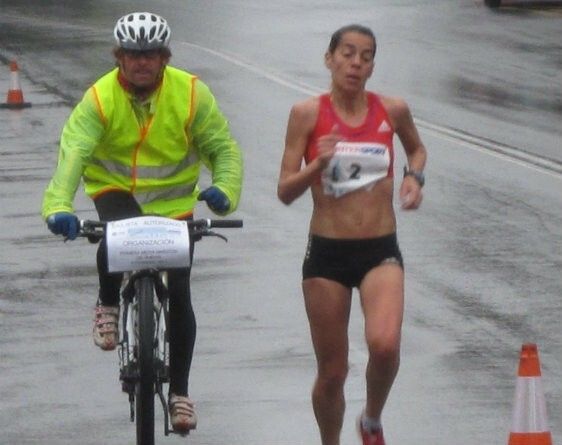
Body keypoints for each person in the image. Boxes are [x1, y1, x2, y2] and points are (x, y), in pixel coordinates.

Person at [41, 11, 243, 434]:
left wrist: (224, 191)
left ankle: (180, 395)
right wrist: (58, 206)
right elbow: (73, 153)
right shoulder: (99, 99)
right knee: (112, 238)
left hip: (174, 204)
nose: (142, 62)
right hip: (116, 191)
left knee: (181, 288)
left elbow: (222, 148)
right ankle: (108, 302)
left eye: (150, 54)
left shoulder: (191, 94)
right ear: (119, 57)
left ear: (165, 57)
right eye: (133, 54)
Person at [277, 24, 427, 445]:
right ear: (330, 59)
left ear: (372, 66)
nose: (355, 63)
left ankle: (372, 420)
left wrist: (414, 178)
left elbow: (417, 148)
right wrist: (316, 166)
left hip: (381, 249)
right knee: (333, 373)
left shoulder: (392, 110)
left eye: (365, 56)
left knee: (385, 346)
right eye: (347, 53)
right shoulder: (306, 114)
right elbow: (285, 190)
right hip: (327, 255)